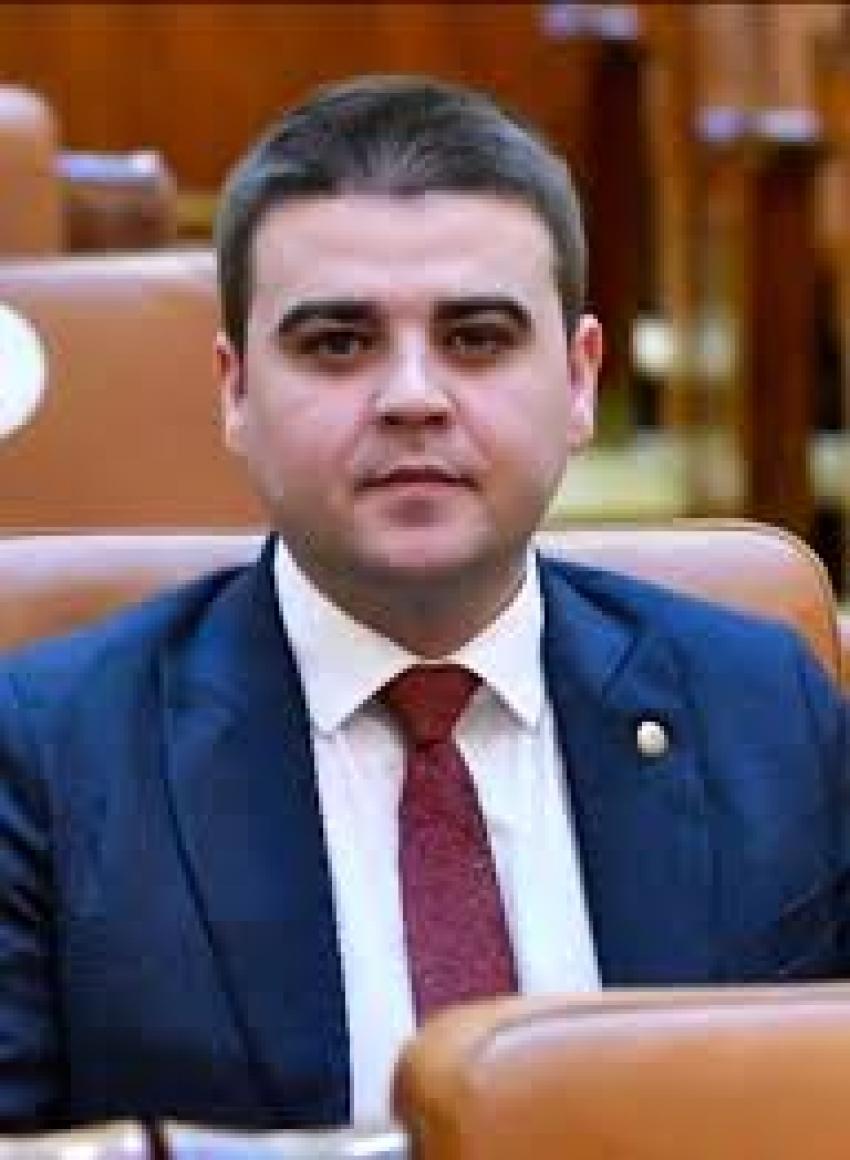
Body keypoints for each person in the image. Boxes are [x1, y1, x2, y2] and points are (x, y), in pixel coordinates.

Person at [0, 74, 846, 1132]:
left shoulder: (765, 708)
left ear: (580, 379)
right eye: (338, 343)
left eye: (477, 337)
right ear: (235, 390)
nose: (412, 395)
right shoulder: (49, 755)